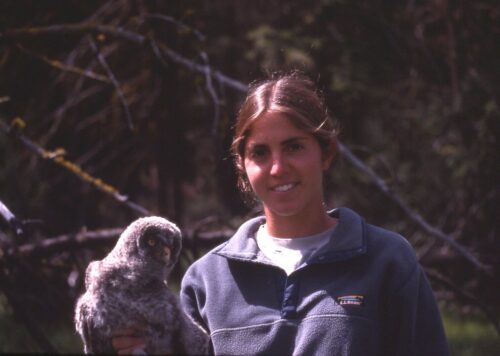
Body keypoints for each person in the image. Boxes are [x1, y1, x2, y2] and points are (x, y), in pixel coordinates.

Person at [113, 72, 450, 355]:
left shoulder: (387, 261)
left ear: (326, 152)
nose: (278, 168)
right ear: (243, 167)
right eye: (260, 152)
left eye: (294, 146)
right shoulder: (206, 281)